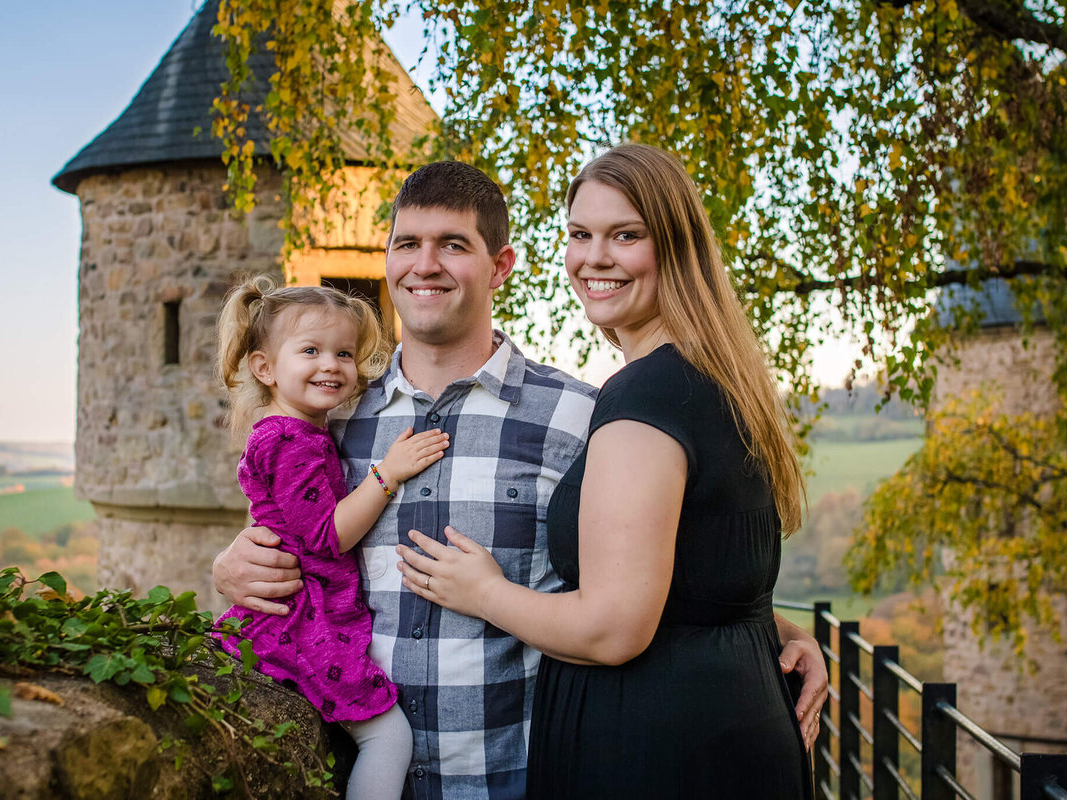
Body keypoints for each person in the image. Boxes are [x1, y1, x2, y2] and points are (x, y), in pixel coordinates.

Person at [212, 160, 828, 800]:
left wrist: (774, 631)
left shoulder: (581, 417)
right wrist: (230, 564)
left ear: (500, 266)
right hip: (352, 773)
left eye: (453, 246)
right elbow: (296, 536)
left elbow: (649, 573)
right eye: (406, 245)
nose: (425, 265)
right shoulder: (330, 417)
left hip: (521, 779)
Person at [395, 143, 815, 798]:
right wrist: (781, 630)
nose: (594, 257)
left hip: (660, 755)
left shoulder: (646, 396)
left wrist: (482, 592)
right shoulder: (712, 379)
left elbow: (616, 627)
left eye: (625, 235)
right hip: (717, 730)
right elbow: (703, 576)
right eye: (580, 235)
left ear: (675, 247)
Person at [211, 279, 450, 800]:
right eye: (311, 351)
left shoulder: (297, 430)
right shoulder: (290, 441)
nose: (332, 365)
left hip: (306, 611)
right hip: (307, 620)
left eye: (344, 353)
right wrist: (387, 475)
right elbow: (325, 536)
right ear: (264, 368)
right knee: (388, 737)